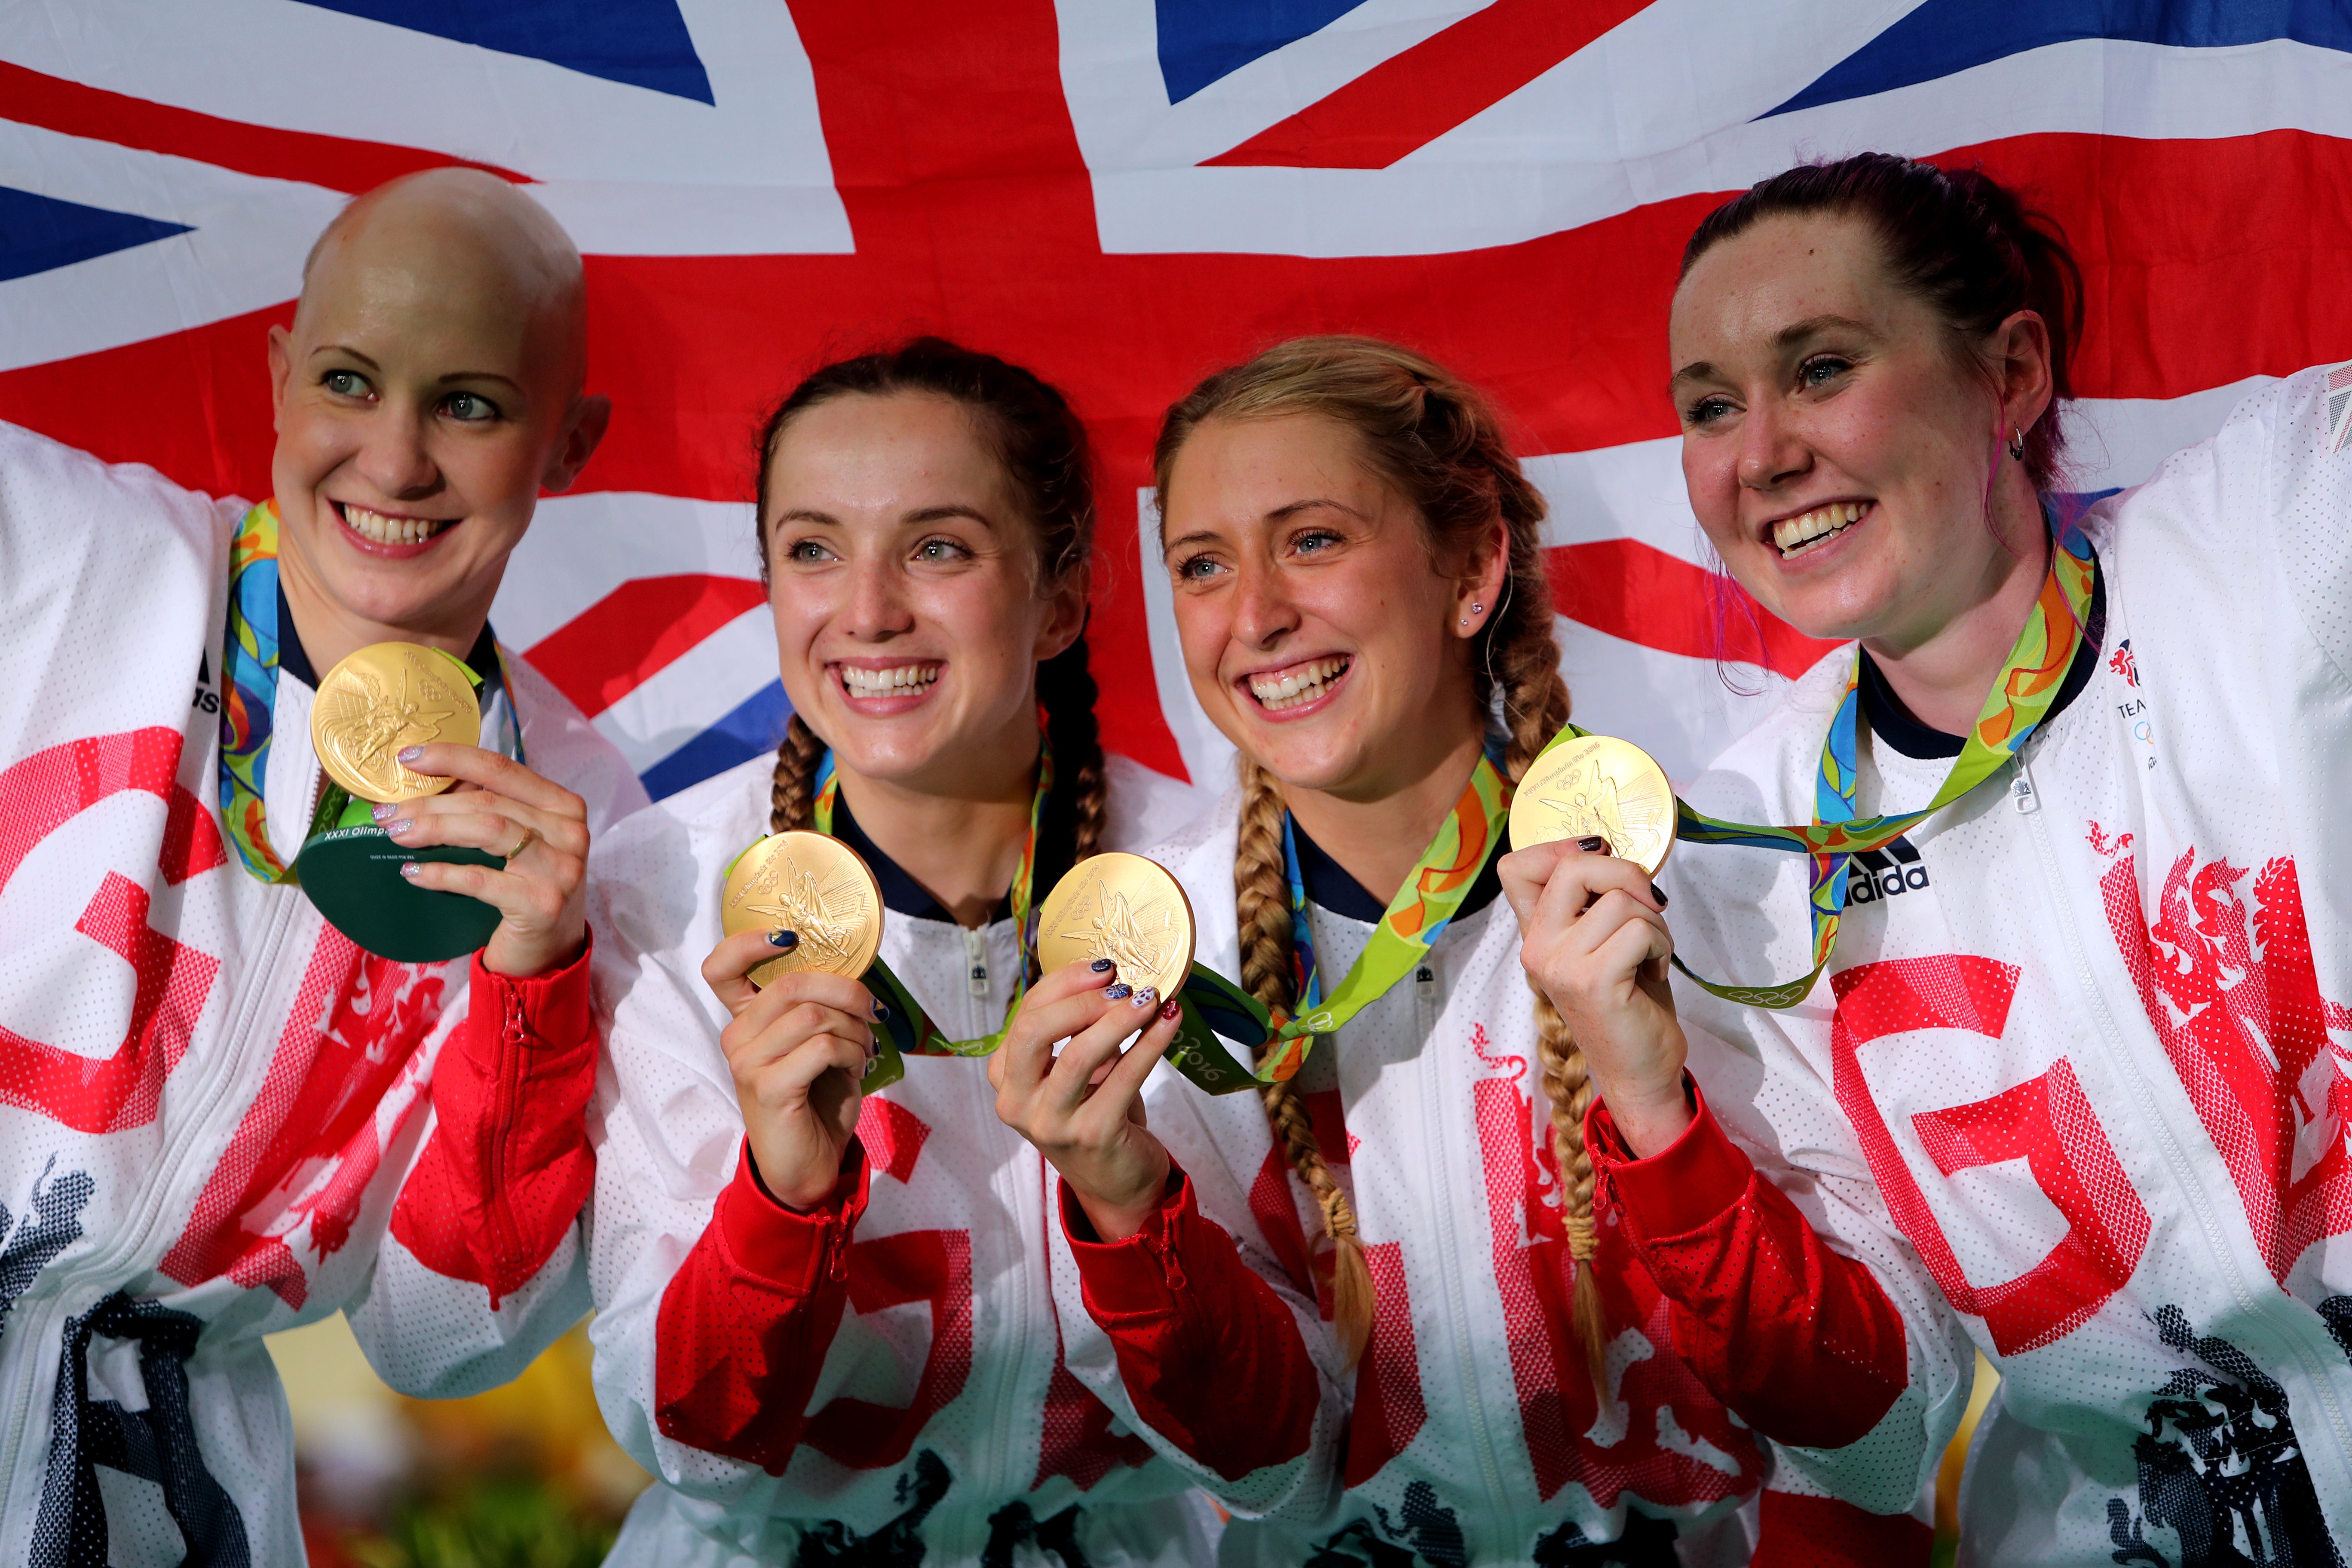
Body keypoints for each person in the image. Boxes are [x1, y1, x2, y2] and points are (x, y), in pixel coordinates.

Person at [1506, 151, 2352, 1562]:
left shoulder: (2279, 533)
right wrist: (1655, 1113)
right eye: (1711, 407)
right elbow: (1876, 1423)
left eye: (1822, 367)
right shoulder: (1742, 862)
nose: (1761, 452)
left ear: (2010, 374)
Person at [992, 336, 1925, 1563]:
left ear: (1474, 566)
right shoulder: (1154, 959)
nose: (1258, 615)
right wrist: (1124, 1208)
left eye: (1312, 539)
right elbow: (1270, 1472)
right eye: (1202, 565)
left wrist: (1656, 1114)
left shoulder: (1693, 892)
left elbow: (1879, 1433)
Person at [0, 168, 644, 1565]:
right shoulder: (55, 551)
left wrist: (534, 985)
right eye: (350, 381)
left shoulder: (587, 818)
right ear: (283, 377)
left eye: (470, 404)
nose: (397, 460)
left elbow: (436, 1337)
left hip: (166, 1495)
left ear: (572, 442)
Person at [585, 339, 1217, 1564]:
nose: (866, 611)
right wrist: (785, 1195)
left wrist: (1132, 1204)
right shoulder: (658, 892)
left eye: (938, 547)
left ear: (1063, 602)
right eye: (813, 548)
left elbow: (1290, 1430)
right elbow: (695, 1441)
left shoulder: (1208, 886)